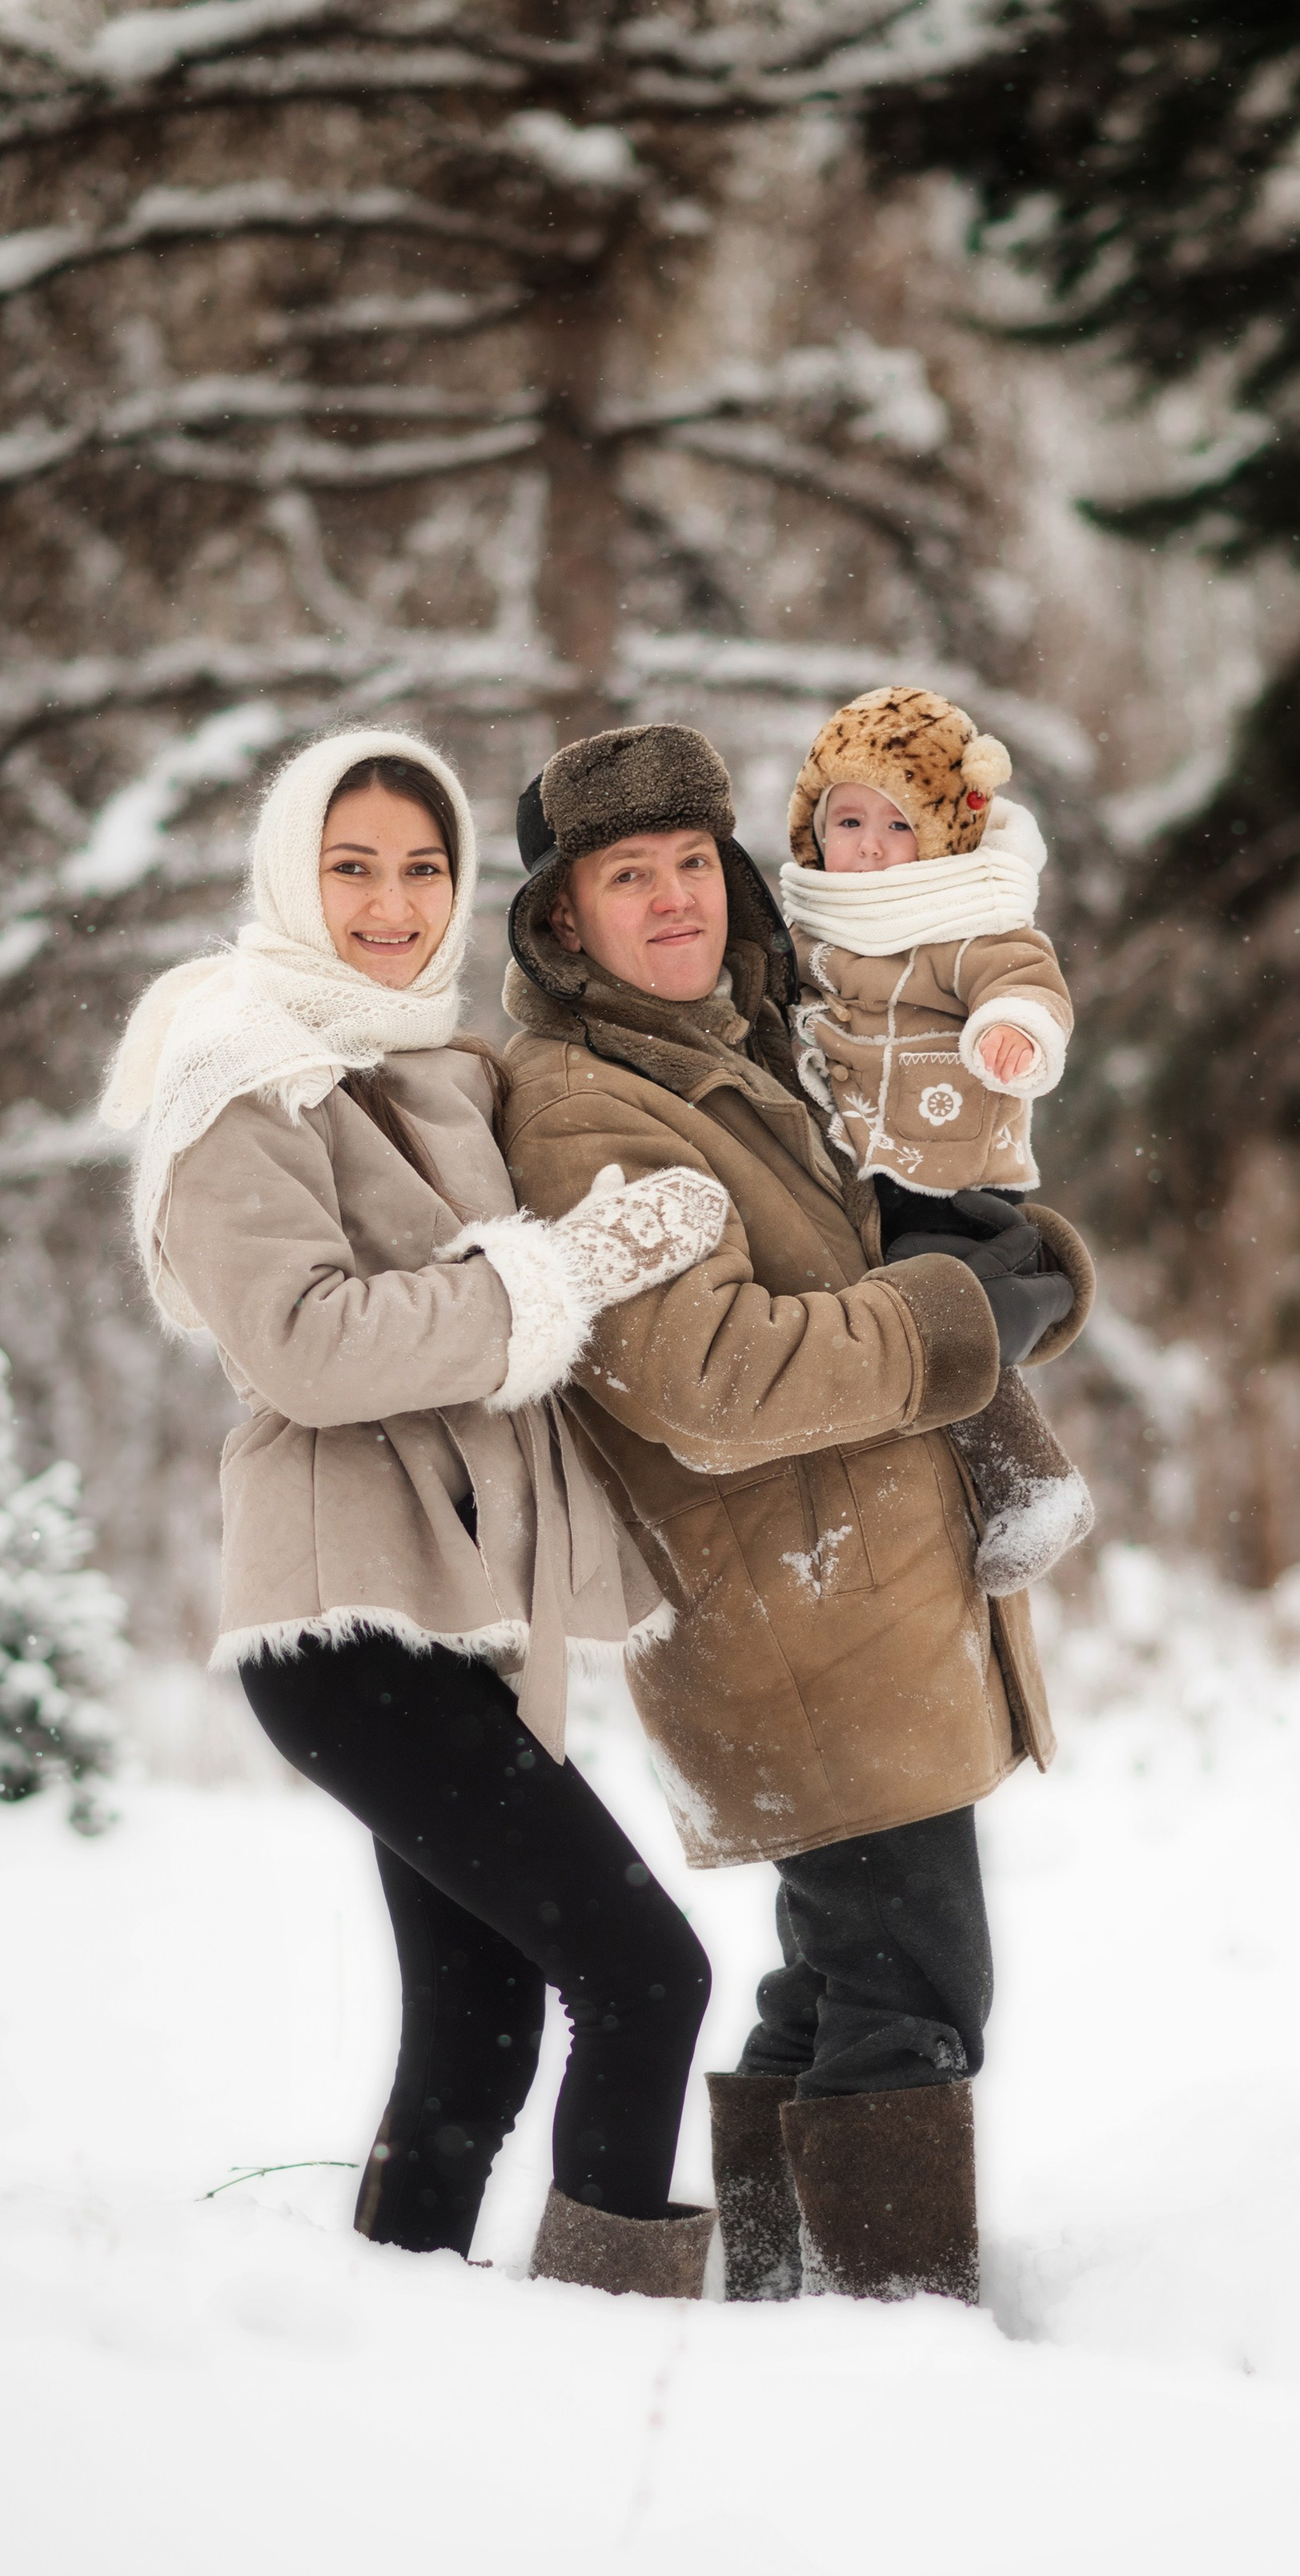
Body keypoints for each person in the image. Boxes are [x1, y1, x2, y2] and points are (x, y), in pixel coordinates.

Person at [98, 726, 732, 2297]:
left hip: (462, 1608)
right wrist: (563, 1267)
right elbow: (307, 1345)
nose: (391, 902)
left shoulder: (439, 1065)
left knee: (484, 2026)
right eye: (353, 865)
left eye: (423, 867)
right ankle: (611, 2344)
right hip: (341, 1615)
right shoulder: (239, 1072)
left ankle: (393, 2341)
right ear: (290, 874)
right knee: (645, 1972)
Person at [496, 721, 1094, 2305]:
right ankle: (894, 2326)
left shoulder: (758, 1043)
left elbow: (895, 1224)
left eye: (693, 862)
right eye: (629, 877)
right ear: (563, 918)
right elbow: (707, 1377)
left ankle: (776, 2291)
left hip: (854, 1589)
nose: (676, 899)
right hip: (786, 1602)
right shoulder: (577, 1108)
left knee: (842, 1970)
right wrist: (958, 1320)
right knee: (912, 1976)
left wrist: (999, 1268)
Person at [779, 682, 1096, 1594]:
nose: (870, 846)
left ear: (944, 837)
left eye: (898, 822)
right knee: (886, 1327)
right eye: (847, 821)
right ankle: (935, 1506)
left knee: (936, 1310)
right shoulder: (815, 928)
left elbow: (1026, 979)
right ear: (813, 831)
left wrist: (1013, 1031)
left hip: (953, 1171)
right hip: (862, 1173)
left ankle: (1033, 1481)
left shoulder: (963, 917)